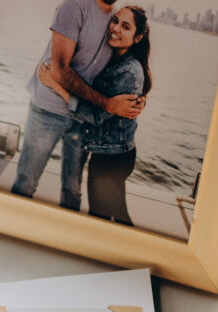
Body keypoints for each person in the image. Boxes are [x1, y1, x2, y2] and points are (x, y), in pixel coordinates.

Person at [11, 0, 145, 209]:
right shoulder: (74, 7)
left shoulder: (114, 18)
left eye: (124, 26)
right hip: (49, 110)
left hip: (83, 118)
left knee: (72, 189)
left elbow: (127, 66)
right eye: (118, 24)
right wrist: (106, 103)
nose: (118, 27)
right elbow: (60, 69)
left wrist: (138, 97)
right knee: (27, 180)